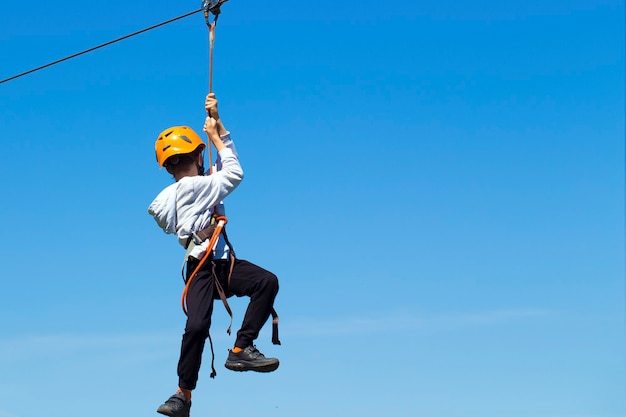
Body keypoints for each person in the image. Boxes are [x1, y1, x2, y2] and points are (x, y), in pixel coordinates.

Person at [148, 93, 280, 417]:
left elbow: (221, 170)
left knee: (202, 322)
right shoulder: (193, 188)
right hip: (205, 269)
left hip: (217, 265)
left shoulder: (189, 189)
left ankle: (223, 363)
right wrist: (216, 138)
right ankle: (223, 361)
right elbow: (233, 173)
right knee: (263, 285)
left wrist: (219, 126)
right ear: (197, 156)